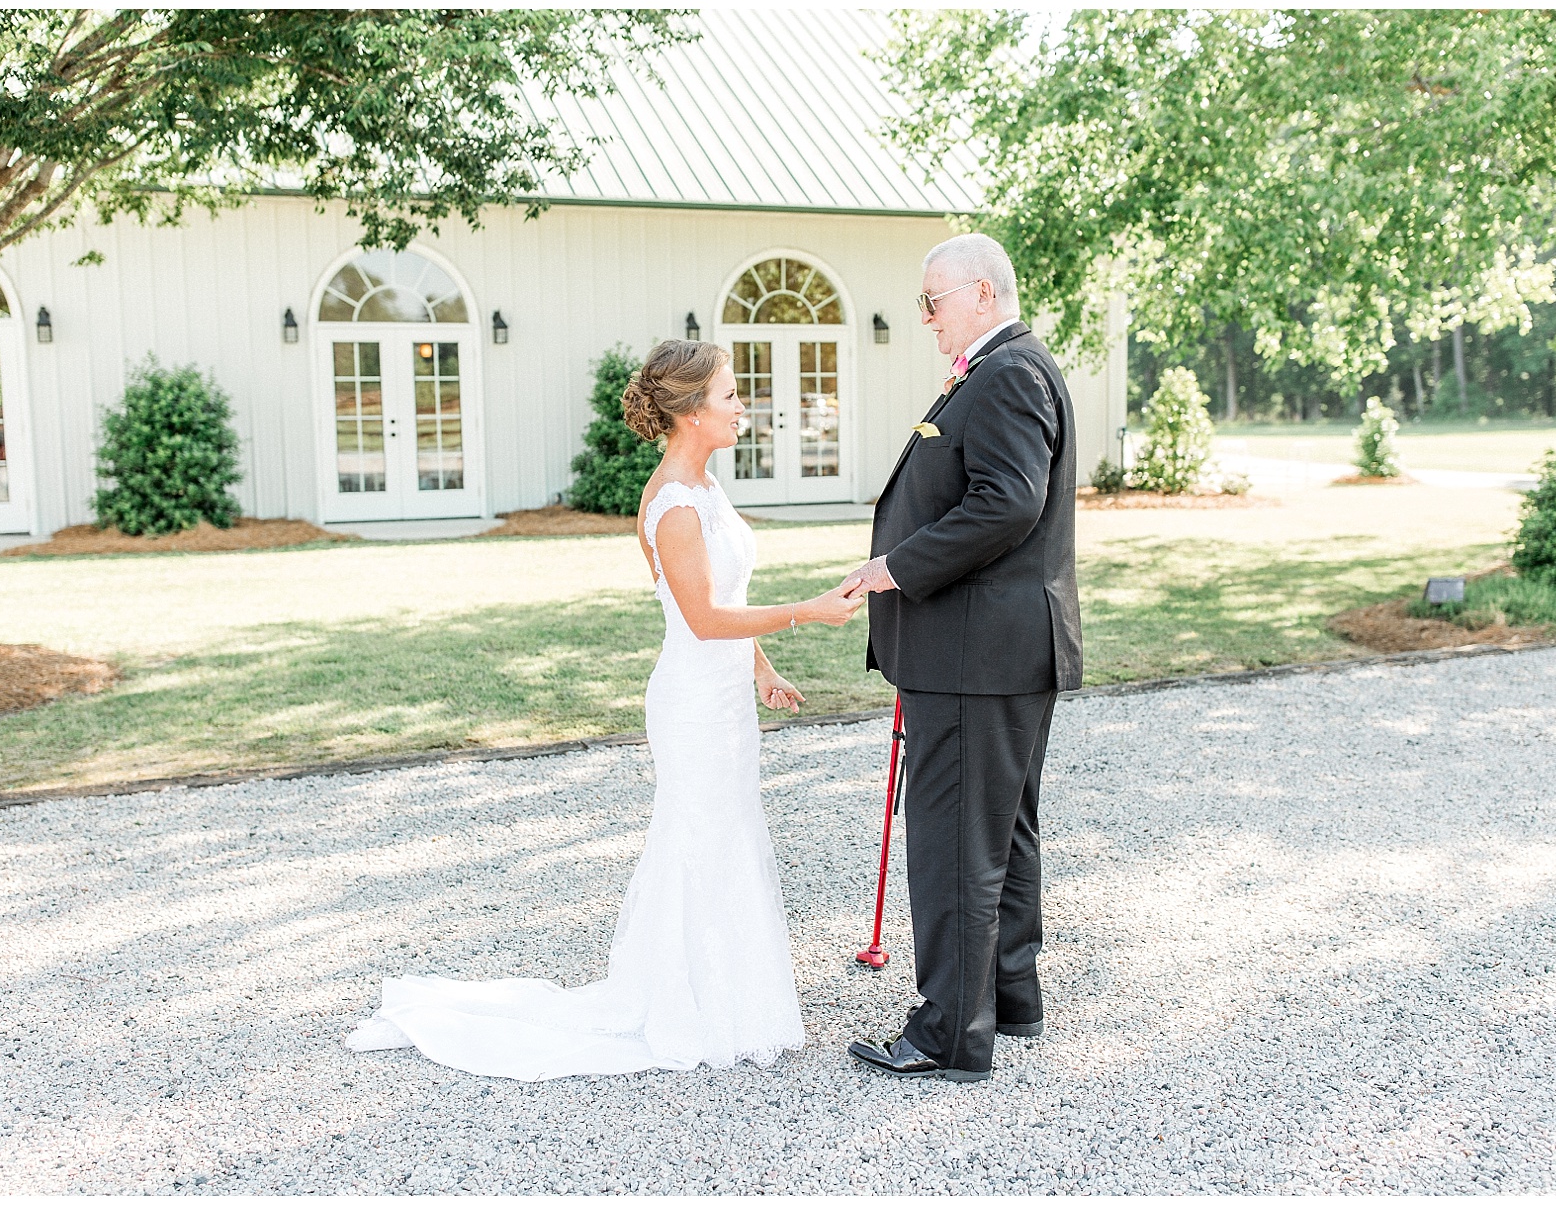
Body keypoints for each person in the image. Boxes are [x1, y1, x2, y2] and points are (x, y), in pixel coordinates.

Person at [344, 340, 863, 1080]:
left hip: (723, 699)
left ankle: (733, 1001)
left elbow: (727, 601)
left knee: (728, 834)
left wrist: (763, 669)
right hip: (690, 706)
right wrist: (806, 613)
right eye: (729, 394)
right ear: (688, 411)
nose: (742, 404)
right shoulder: (674, 504)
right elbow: (704, 619)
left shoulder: (709, 489)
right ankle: (689, 1009)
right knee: (698, 838)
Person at [843, 233, 1082, 1082]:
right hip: (994, 652)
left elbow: (1008, 502)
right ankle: (1009, 998)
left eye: (933, 302)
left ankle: (948, 1032)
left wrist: (896, 566)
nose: (926, 318)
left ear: (981, 294)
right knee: (1002, 836)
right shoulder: (1000, 369)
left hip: (977, 654)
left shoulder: (1009, 373)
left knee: (952, 843)